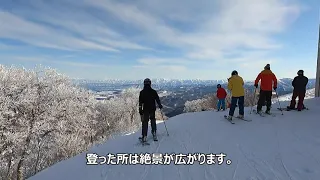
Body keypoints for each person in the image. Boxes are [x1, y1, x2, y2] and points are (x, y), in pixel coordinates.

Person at [138, 78, 163, 142]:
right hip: (152, 109)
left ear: (144, 83)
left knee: (145, 122)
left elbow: (140, 103)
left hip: (145, 110)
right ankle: (154, 132)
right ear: (150, 83)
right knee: (153, 120)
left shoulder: (142, 92)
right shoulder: (153, 91)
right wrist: (160, 105)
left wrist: (140, 110)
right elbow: (157, 99)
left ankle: (144, 136)